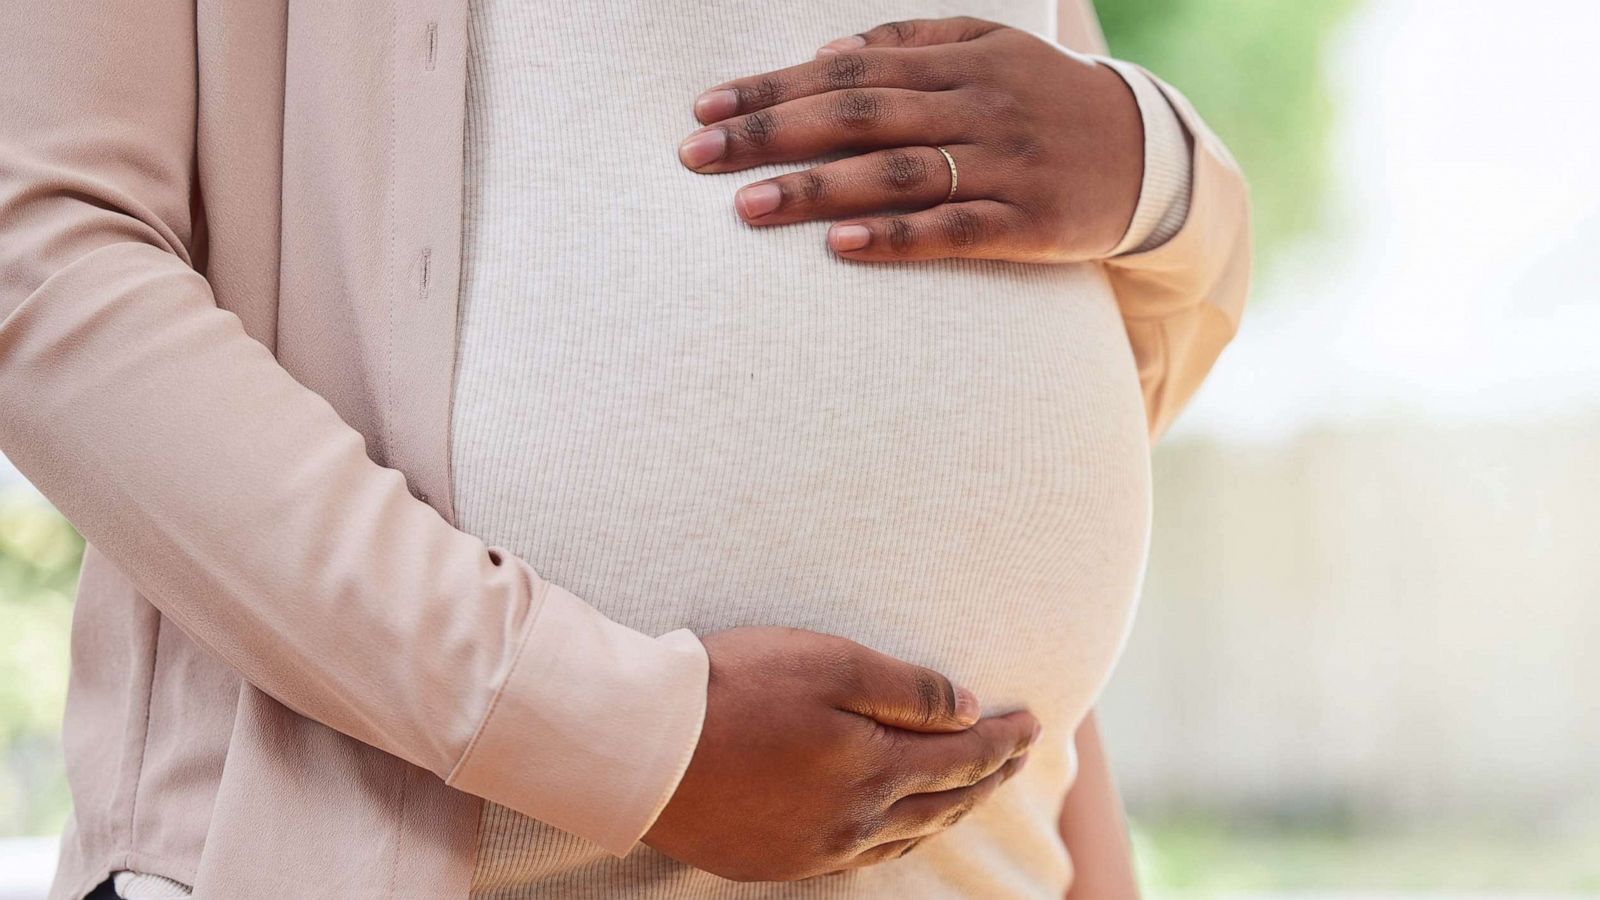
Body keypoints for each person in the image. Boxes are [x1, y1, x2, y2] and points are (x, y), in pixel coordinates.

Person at [0, 0, 1249, 897]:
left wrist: (1160, 175)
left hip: (982, 851)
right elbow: (41, 254)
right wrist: (619, 734)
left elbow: (1097, 351)